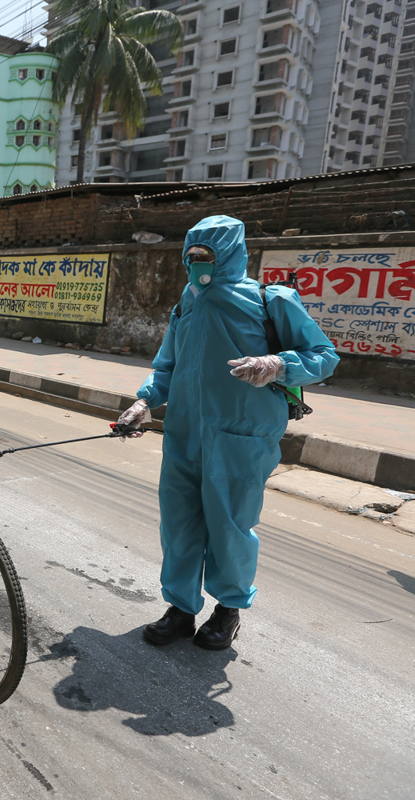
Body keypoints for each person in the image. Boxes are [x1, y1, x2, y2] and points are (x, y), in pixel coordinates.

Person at [117, 215, 338, 650]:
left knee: (231, 528)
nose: (198, 263)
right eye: (192, 255)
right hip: (184, 434)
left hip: (241, 436)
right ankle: (180, 609)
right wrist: (144, 401)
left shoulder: (269, 299)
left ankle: (227, 611)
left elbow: (324, 356)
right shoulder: (188, 301)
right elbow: (169, 364)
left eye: (207, 255)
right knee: (178, 525)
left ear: (231, 254)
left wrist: (278, 364)